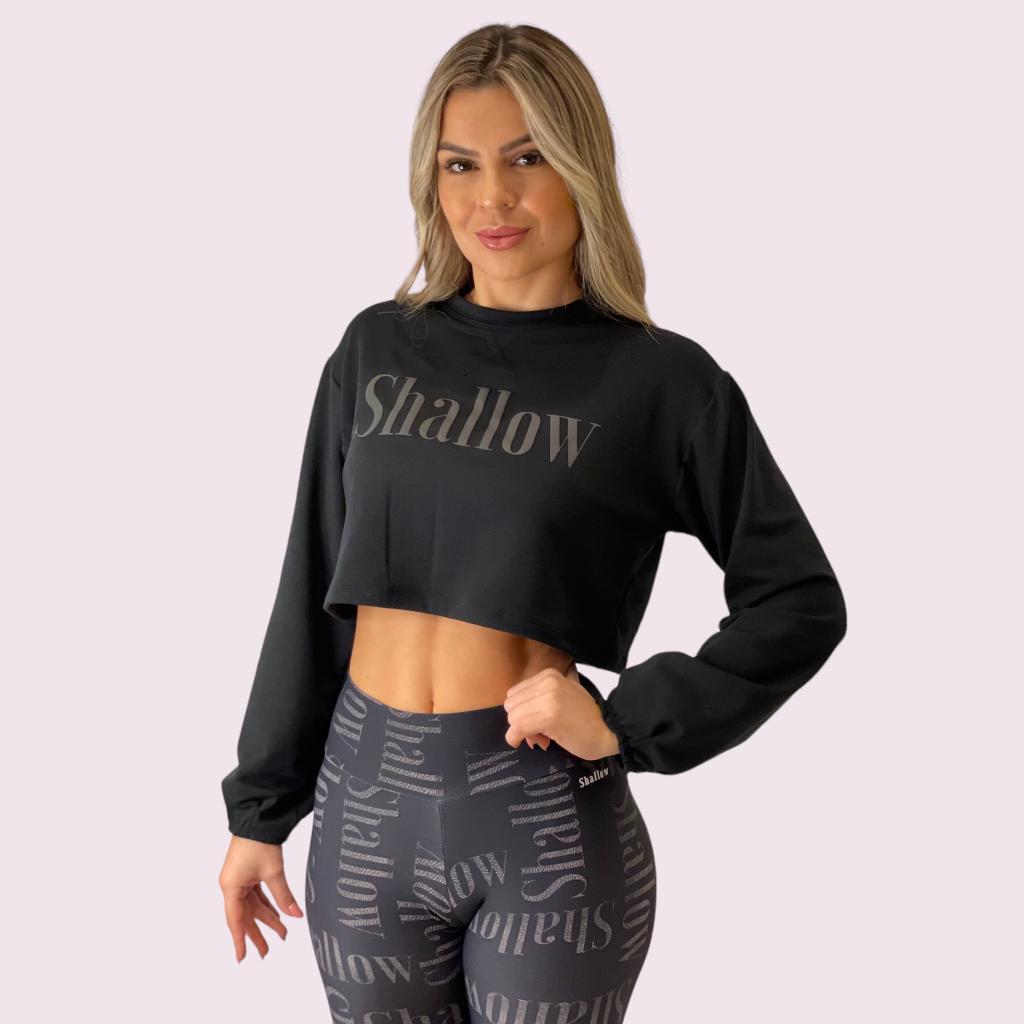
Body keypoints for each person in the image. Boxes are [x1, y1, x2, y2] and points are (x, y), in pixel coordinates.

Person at [218, 22, 847, 1022]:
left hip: (539, 817)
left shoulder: (660, 382)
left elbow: (798, 600)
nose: (491, 200)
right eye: (459, 165)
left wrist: (627, 721)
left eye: (526, 159)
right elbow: (312, 584)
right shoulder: (376, 349)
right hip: (363, 809)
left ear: (579, 165)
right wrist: (261, 809)